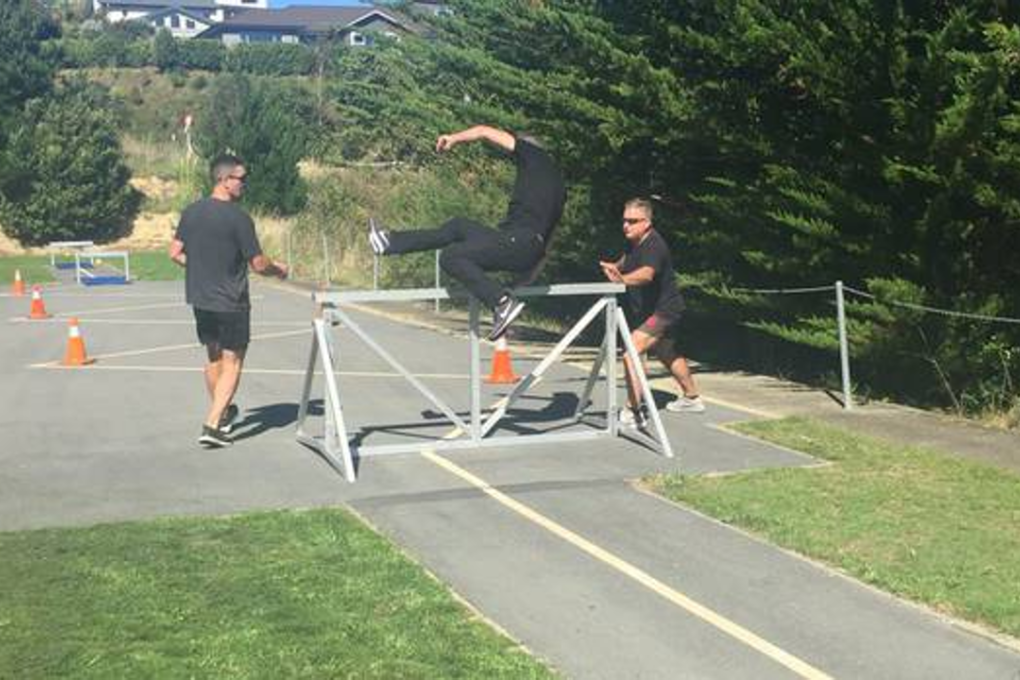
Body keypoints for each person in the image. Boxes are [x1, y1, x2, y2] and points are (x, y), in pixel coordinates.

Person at [368, 125, 565, 341]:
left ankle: (501, 303)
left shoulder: (530, 152)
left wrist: (453, 138)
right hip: (525, 248)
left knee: (451, 256)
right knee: (458, 226)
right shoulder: (558, 185)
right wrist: (527, 278)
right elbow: (547, 245)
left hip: (518, 240)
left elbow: (484, 131)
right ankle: (388, 242)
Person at [169, 154, 288, 448]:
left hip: (201, 299)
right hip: (231, 302)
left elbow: (174, 253)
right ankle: (212, 425)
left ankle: (220, 414)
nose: (244, 185)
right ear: (224, 180)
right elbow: (258, 263)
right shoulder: (238, 218)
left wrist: (199, 269)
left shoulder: (191, 212)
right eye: (241, 179)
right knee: (232, 363)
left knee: (213, 359)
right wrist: (280, 270)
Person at [599, 197, 705, 427]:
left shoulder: (654, 245)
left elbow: (647, 274)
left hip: (665, 310)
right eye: (624, 220)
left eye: (632, 221)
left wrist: (623, 280)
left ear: (646, 222)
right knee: (666, 351)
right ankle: (692, 398)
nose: (626, 225)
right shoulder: (633, 242)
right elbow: (624, 263)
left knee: (631, 353)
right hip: (651, 310)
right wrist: (613, 268)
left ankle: (634, 412)